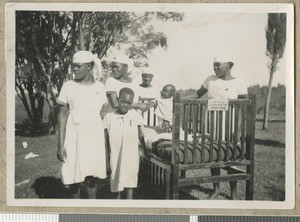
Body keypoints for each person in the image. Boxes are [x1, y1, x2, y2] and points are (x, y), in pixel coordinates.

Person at [186, 54, 247, 200]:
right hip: (212, 124)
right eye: (214, 65)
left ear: (229, 65)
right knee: (214, 156)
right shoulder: (210, 79)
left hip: (230, 124)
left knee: (232, 157)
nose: (214, 67)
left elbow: (242, 108)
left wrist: (237, 130)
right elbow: (197, 94)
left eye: (218, 65)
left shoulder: (239, 82)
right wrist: (179, 98)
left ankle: (233, 192)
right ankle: (216, 189)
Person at [57, 50, 107, 199]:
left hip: (94, 136)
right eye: (73, 66)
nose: (75, 69)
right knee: (74, 177)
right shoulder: (68, 86)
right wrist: (60, 145)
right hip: (74, 135)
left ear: (90, 66)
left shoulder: (99, 87)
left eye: (78, 66)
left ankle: (92, 211)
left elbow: (104, 111)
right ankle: (76, 209)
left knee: (92, 177)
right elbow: (62, 115)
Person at [103, 87, 146, 199]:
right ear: (118, 99)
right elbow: (105, 141)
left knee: (130, 184)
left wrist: (145, 151)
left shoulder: (135, 116)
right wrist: (107, 161)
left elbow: (141, 135)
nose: (125, 105)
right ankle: (118, 208)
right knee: (116, 183)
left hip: (131, 157)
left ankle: (129, 207)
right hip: (115, 157)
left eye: (129, 103)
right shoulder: (109, 118)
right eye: (123, 102)